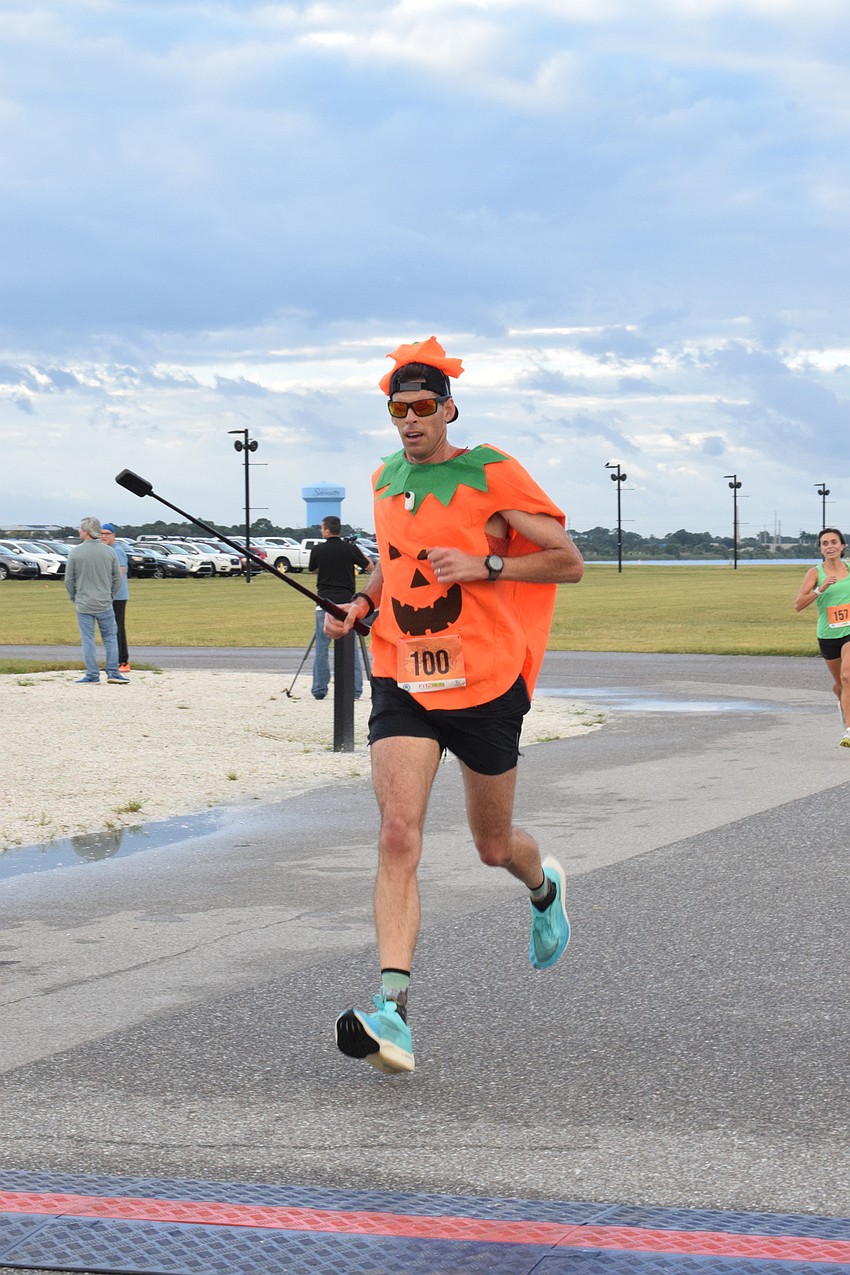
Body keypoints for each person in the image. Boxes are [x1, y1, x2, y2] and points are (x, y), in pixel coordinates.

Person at [325, 336, 584, 1074]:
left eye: (423, 407)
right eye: (398, 408)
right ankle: (392, 1015)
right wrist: (361, 603)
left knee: (491, 846)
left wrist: (486, 563)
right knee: (398, 833)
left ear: (448, 409)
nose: (409, 420)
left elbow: (568, 559)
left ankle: (543, 886)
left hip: (486, 683)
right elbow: (391, 558)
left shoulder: (489, 472)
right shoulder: (384, 478)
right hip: (404, 677)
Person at [795, 526, 850, 747]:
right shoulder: (815, 573)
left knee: (848, 677)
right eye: (825, 543)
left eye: (834, 542)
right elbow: (798, 604)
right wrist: (820, 589)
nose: (830, 546)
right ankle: (843, 703)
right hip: (828, 635)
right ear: (820, 548)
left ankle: (848, 730)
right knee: (840, 685)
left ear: (842, 546)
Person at [308, 516, 372, 700]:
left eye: (322, 528)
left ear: (327, 530)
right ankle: (355, 689)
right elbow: (370, 566)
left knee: (322, 647)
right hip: (348, 605)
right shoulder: (350, 548)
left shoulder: (318, 549)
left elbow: (313, 570)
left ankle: (319, 689)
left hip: (324, 602)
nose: (321, 531)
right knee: (350, 648)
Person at [65, 517, 129, 685]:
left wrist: (75, 597)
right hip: (104, 602)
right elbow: (117, 578)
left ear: (86, 531)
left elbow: (69, 580)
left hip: (84, 603)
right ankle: (113, 672)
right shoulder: (109, 551)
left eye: (80, 529)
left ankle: (92, 674)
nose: (79, 531)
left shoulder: (75, 552)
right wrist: (110, 596)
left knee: (88, 639)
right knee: (110, 638)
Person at [101, 522, 131, 671]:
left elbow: (119, 574)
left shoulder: (117, 551)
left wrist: (110, 592)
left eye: (107, 534)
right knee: (111, 628)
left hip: (117, 596)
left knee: (117, 627)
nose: (103, 536)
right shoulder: (106, 550)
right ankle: (115, 660)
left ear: (113, 535)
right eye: (101, 533)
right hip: (108, 595)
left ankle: (122, 661)